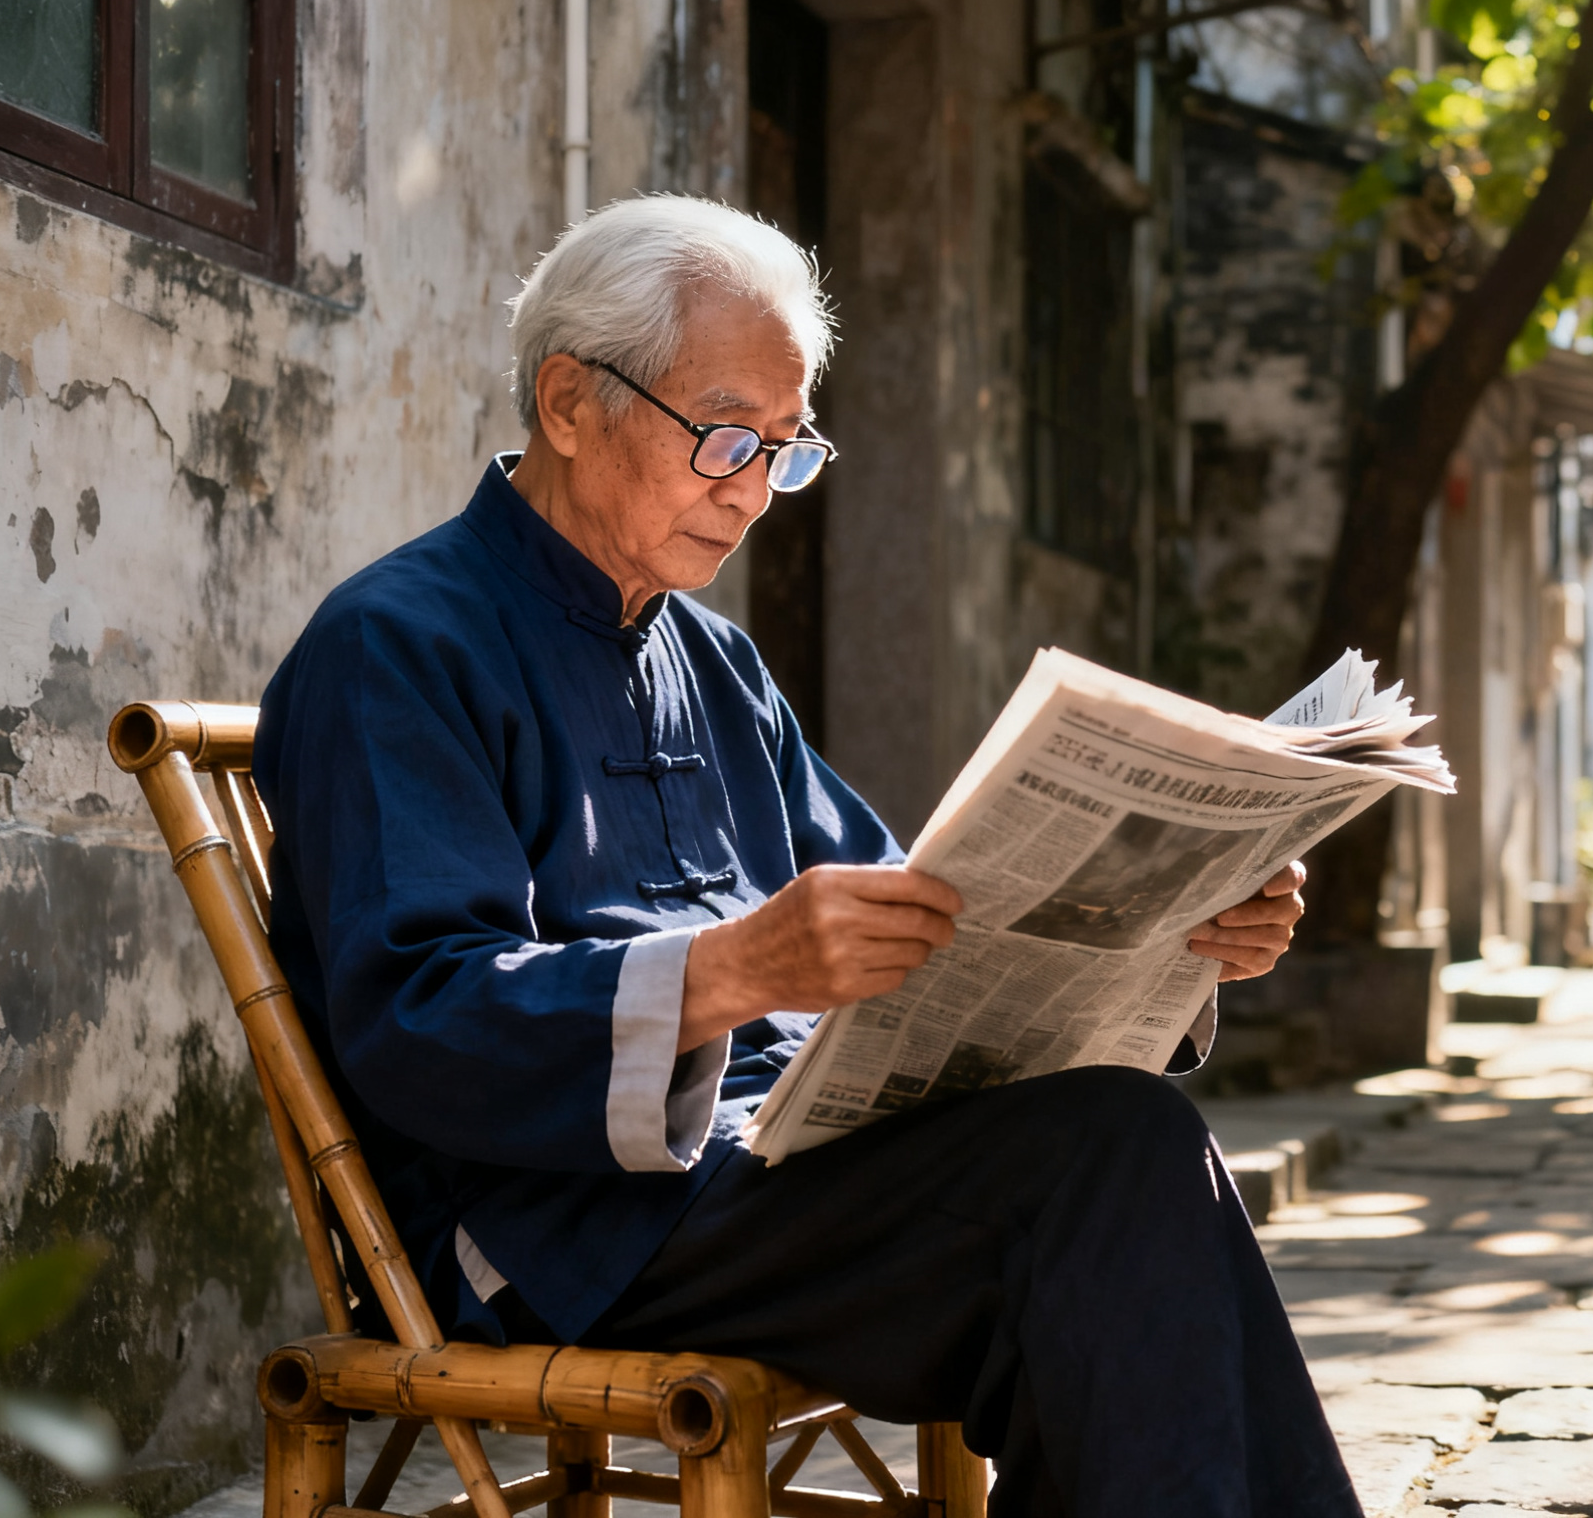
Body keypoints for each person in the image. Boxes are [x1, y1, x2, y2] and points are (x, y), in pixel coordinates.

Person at [253, 194, 1362, 1518]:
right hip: (565, 1220)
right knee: (1107, 1173)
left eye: (782, 451)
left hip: (776, 1176)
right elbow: (416, 1017)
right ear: (568, 402)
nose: (748, 493)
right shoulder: (396, 643)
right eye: (724, 437)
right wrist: (731, 970)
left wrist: (1170, 931)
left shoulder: (714, 659)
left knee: (1115, 1192)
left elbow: (928, 924)